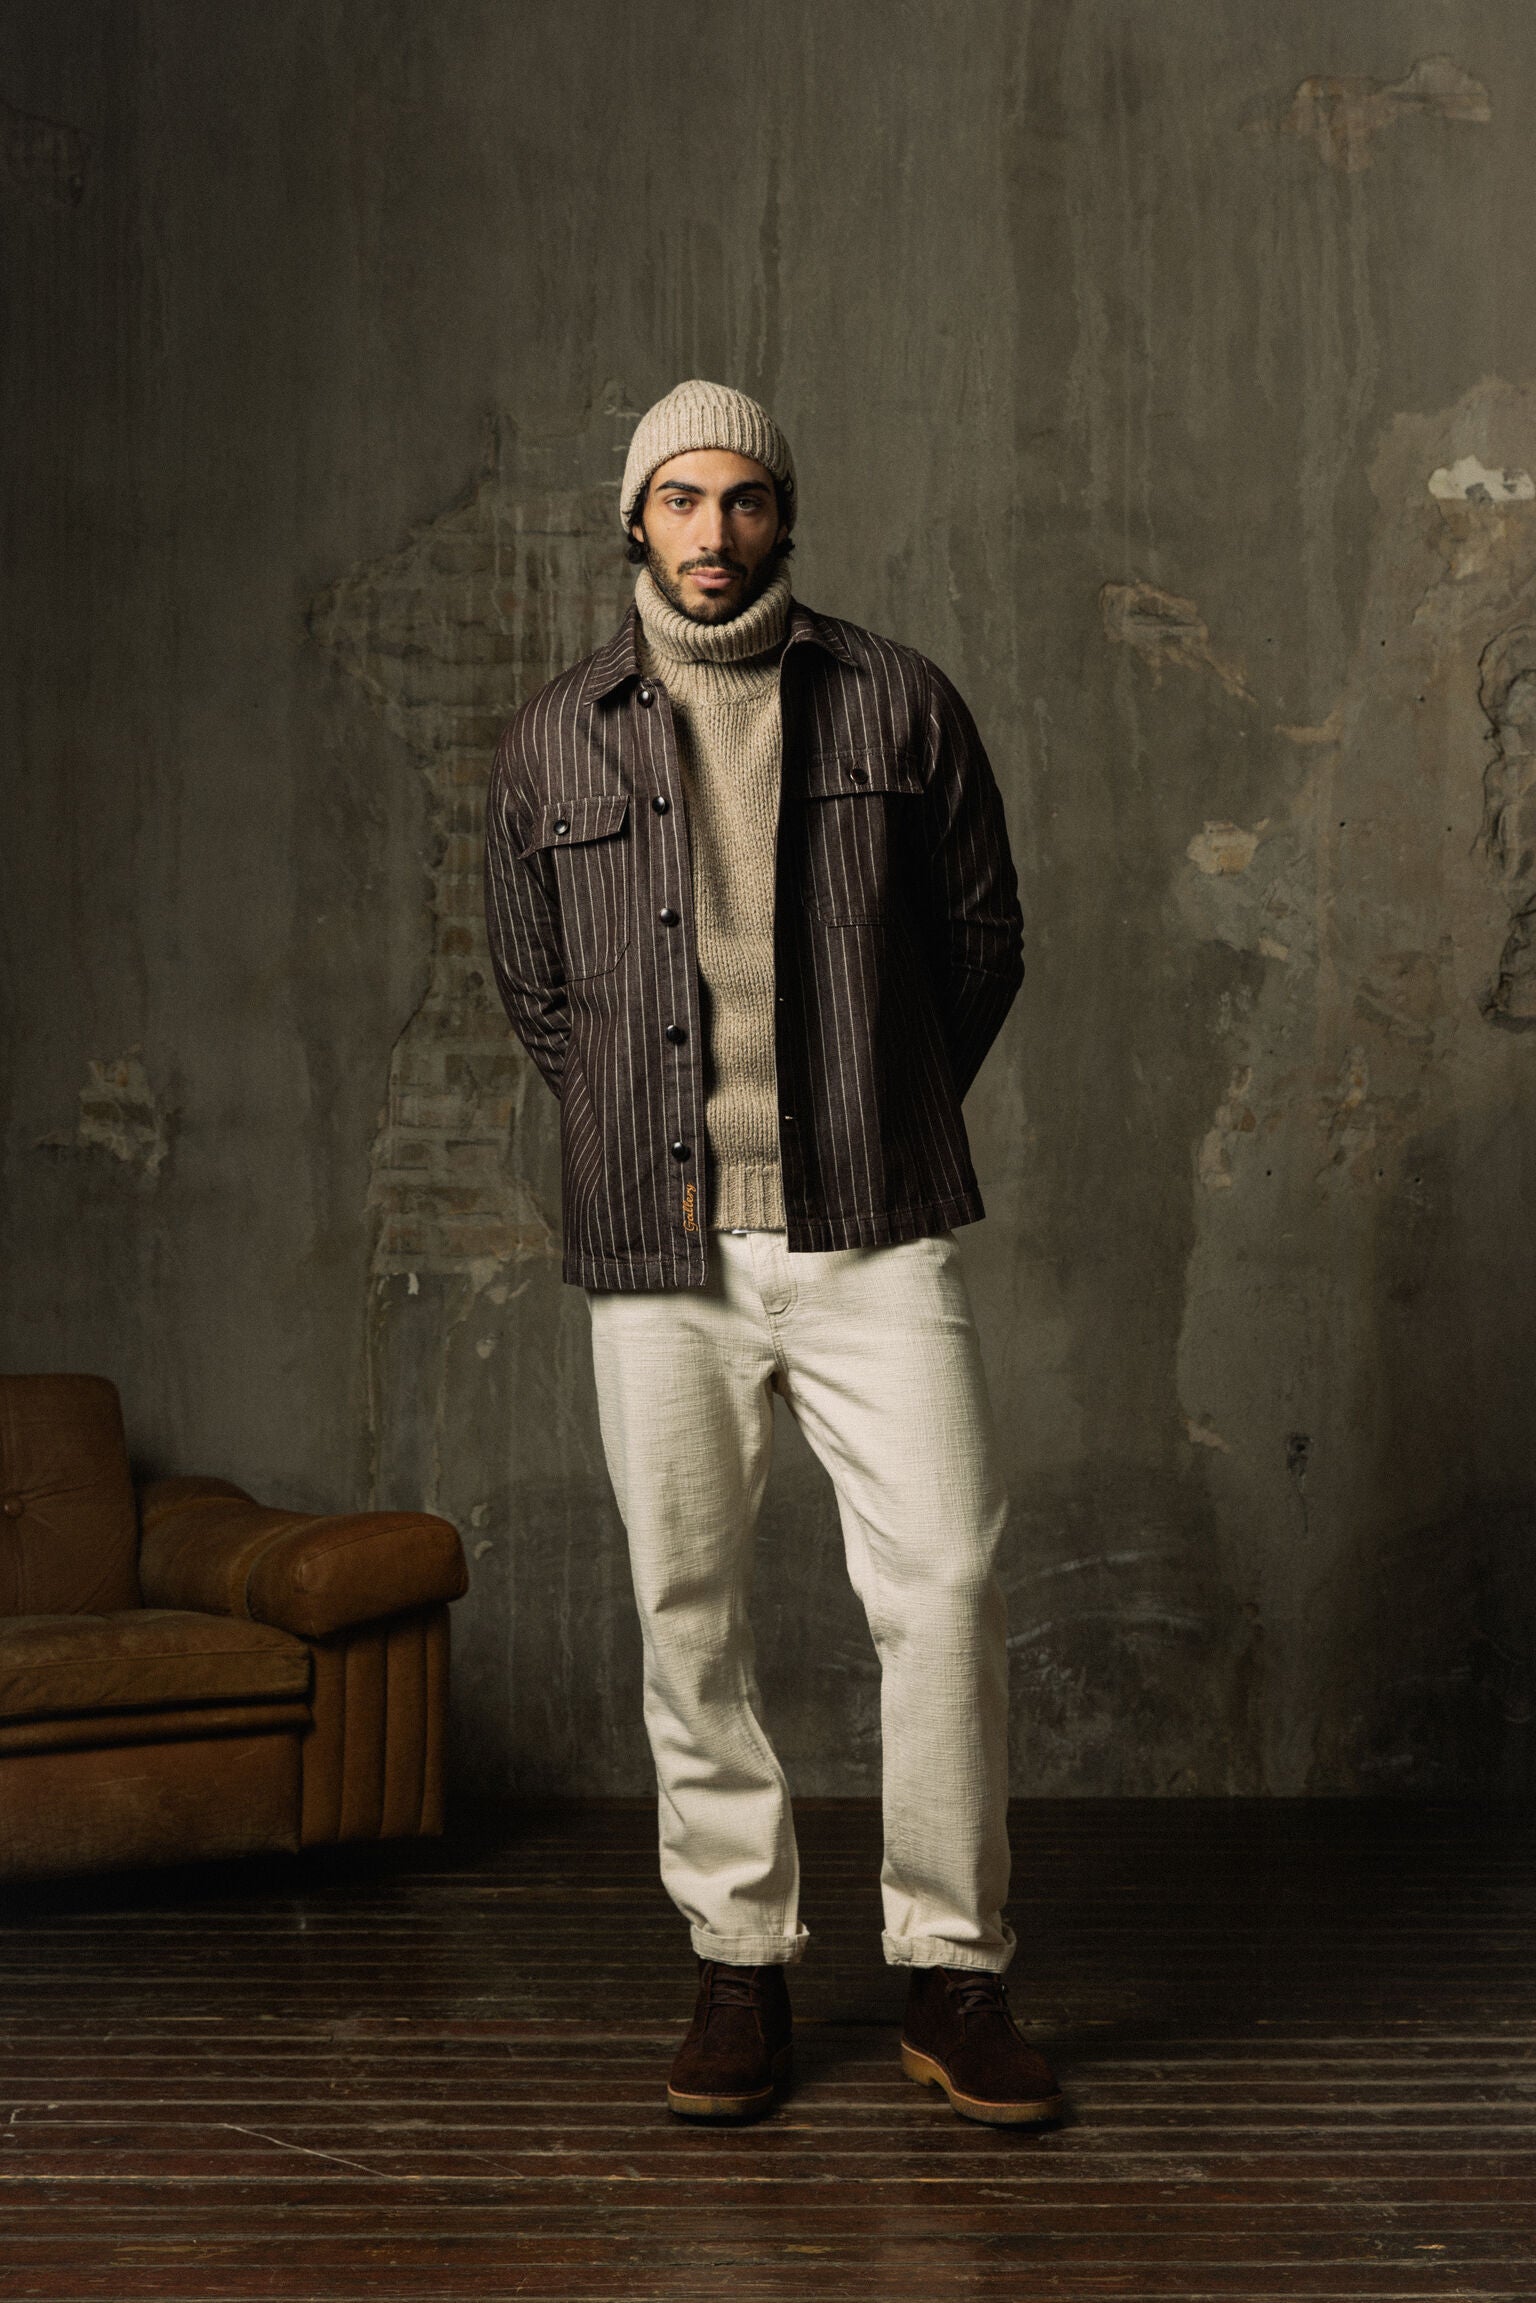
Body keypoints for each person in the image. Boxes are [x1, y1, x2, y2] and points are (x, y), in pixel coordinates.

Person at [484, 380, 1060, 2128]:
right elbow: (536, 987)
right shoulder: (553, 739)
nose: (713, 531)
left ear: (782, 515)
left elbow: (982, 941)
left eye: (742, 498)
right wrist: (655, 1131)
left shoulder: (900, 700)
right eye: (680, 498)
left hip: (871, 1228)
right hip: (660, 1246)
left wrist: (874, 1108)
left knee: (945, 1582)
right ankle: (738, 1963)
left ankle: (952, 1973)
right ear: (634, 518)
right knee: (689, 1607)